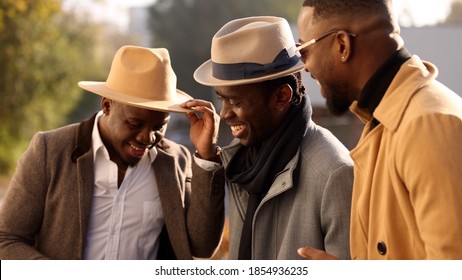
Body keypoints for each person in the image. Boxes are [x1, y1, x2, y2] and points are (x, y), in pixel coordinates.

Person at [0, 45, 224, 260]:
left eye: (158, 127)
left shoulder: (177, 161)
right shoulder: (50, 151)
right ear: (107, 106)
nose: (147, 138)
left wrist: (206, 156)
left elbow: (203, 247)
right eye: (135, 123)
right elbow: (7, 239)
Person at [297, 0, 462, 259]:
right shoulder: (384, 123)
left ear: (342, 45)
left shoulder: (427, 126)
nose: (304, 66)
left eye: (303, 49)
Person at [182, 16, 354, 260]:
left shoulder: (334, 173)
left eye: (236, 102)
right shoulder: (239, 156)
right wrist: (207, 157)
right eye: (222, 99)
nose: (224, 114)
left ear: (281, 97)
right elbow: (201, 246)